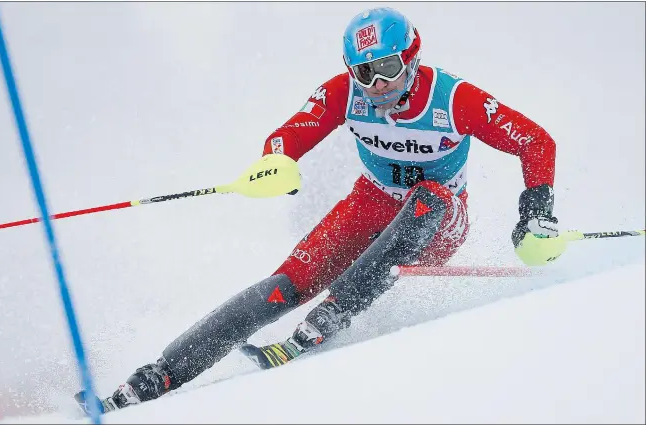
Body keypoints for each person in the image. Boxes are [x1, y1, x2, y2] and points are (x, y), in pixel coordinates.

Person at [78, 6, 565, 414]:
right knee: (283, 285)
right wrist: (278, 162)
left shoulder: (454, 98)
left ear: (413, 60)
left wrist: (536, 210)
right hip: (371, 203)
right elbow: (286, 135)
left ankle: (331, 315)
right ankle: (158, 376)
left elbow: (536, 142)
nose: (376, 85)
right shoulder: (343, 93)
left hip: (438, 219)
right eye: (364, 73)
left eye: (388, 69)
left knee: (427, 198)